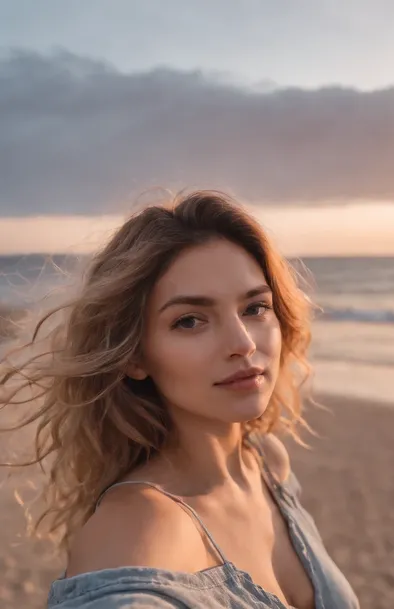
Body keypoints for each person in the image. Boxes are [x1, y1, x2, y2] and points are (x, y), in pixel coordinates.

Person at [1, 191, 359, 609]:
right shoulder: (138, 526)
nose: (242, 343)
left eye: (255, 308)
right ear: (134, 356)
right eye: (190, 320)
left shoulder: (267, 463)